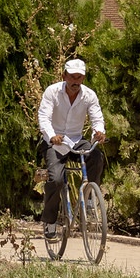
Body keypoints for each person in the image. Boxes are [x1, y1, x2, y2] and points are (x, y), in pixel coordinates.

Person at [38, 56, 106, 232]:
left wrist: (98, 132)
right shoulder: (52, 92)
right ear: (64, 76)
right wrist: (52, 135)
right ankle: (50, 222)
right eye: (72, 77)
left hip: (76, 141)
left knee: (97, 157)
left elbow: (96, 117)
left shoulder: (89, 95)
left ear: (83, 78)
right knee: (56, 179)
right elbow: (44, 117)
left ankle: (89, 198)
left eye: (79, 77)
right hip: (54, 143)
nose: (75, 81)